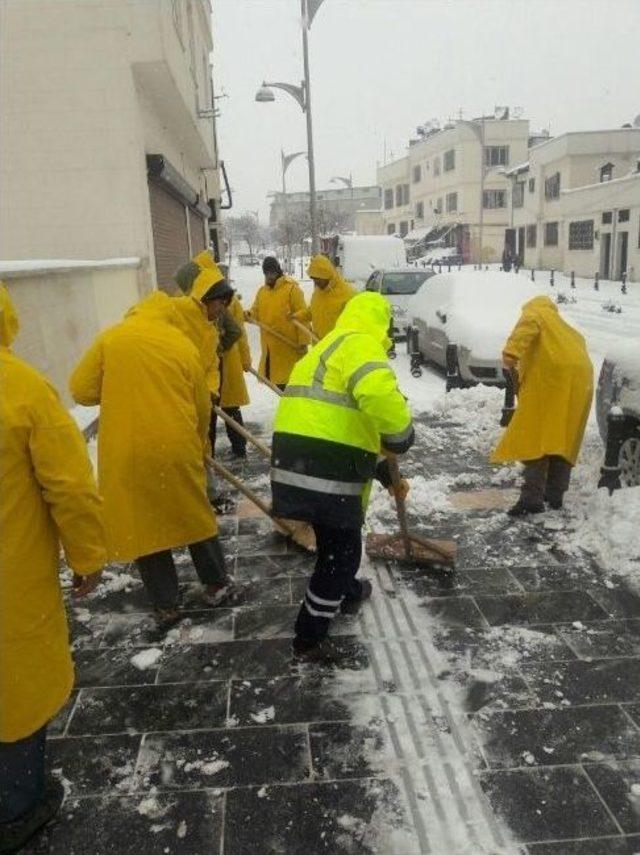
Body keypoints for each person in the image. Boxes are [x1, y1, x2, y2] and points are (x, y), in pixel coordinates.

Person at [0, 284, 106, 851]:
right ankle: (19, 808)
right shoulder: (21, 390)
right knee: (16, 693)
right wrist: (87, 557)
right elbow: (69, 487)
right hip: (9, 586)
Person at [70, 281, 233, 627]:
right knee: (194, 514)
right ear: (169, 317)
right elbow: (202, 406)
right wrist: (201, 447)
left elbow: (80, 390)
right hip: (175, 446)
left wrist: (118, 386)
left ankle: (166, 605)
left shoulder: (112, 338)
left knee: (145, 526)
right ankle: (217, 583)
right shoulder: (181, 344)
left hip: (127, 453)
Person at [270, 292, 414, 658]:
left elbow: (346, 423)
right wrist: (401, 435)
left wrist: (384, 472)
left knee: (333, 541)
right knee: (345, 550)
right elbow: (378, 395)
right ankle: (309, 636)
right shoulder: (361, 343)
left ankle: (344, 587)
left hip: (300, 457)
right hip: (325, 464)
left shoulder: (329, 345)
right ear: (381, 323)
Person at [491, 295, 593, 516]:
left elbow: (528, 327)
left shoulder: (536, 312)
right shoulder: (565, 329)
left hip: (550, 382)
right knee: (561, 439)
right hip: (580, 384)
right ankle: (555, 496)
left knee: (535, 438)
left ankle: (531, 499)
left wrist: (511, 354)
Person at [176, 251, 251, 459]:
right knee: (224, 410)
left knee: (218, 411)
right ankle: (225, 451)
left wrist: (218, 349)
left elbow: (236, 331)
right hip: (214, 364)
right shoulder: (208, 297)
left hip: (220, 364)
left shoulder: (215, 299)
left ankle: (224, 452)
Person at [248, 256, 308, 389]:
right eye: (266, 273)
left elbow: (303, 315)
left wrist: (303, 341)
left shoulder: (292, 290)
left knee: (293, 383)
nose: (269, 276)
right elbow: (255, 310)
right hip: (272, 349)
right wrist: (249, 314)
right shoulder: (262, 292)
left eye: (272, 272)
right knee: (279, 384)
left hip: (290, 348)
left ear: (278, 271)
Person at [291, 254, 355, 341]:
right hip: (320, 345)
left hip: (338, 347)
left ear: (326, 275)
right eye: (314, 279)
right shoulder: (319, 292)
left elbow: (354, 323)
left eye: (318, 279)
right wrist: (296, 316)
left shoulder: (347, 294)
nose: (316, 283)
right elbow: (312, 312)